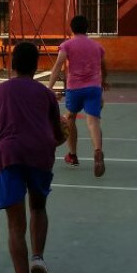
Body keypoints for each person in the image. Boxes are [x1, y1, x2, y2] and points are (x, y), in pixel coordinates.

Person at [0, 42, 64, 273]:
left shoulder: (0, 90)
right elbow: (58, 135)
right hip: (40, 153)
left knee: (15, 225)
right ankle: (38, 257)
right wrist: (59, 136)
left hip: (8, 155)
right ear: (37, 66)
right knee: (38, 206)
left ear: (11, 64)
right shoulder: (45, 94)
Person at [48, 14, 109, 177]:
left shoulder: (67, 45)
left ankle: (73, 155)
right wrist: (104, 83)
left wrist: (49, 88)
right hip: (93, 88)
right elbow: (103, 66)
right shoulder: (97, 46)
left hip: (75, 88)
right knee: (93, 121)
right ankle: (97, 152)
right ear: (87, 28)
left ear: (71, 29)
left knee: (70, 119)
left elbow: (58, 66)